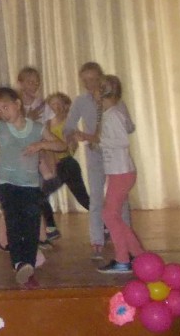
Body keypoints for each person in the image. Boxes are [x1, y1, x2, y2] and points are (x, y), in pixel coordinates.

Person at [0, 87, 66, 288]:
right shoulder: (1, 127)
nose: (3, 113)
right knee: (13, 224)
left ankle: (28, 267)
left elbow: (61, 145)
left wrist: (41, 145)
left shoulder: (37, 128)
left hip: (30, 186)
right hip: (7, 184)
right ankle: (19, 264)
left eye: (5, 107)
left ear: (17, 104)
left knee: (31, 227)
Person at [64, 62, 135, 261]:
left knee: (120, 200)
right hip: (95, 155)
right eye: (85, 80)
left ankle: (125, 239)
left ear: (102, 79)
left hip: (116, 158)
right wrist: (73, 137)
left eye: (94, 79)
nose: (90, 84)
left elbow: (129, 128)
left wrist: (109, 126)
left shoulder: (114, 102)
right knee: (95, 197)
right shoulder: (81, 101)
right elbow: (69, 126)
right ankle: (97, 239)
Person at [82, 75, 145, 274]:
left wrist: (98, 141)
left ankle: (123, 259)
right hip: (119, 172)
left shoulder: (113, 115)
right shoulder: (110, 114)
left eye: (96, 89)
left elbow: (122, 141)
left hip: (121, 172)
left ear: (103, 92)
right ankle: (137, 255)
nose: (93, 93)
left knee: (109, 215)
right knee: (113, 215)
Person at [38, 92, 90, 242]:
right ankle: (51, 228)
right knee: (40, 195)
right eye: (53, 104)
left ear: (65, 105)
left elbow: (72, 146)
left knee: (83, 199)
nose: (56, 107)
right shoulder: (47, 124)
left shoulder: (69, 122)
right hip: (54, 164)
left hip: (67, 164)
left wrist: (70, 142)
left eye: (59, 103)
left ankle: (107, 222)